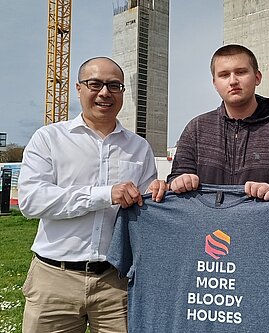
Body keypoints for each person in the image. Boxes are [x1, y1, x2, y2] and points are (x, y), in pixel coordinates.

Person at [18, 56, 166, 332]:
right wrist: (105, 194)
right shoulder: (49, 138)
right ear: (78, 88)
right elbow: (31, 201)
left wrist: (159, 193)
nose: (104, 93)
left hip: (115, 285)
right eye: (95, 84)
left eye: (114, 86)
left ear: (123, 92)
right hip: (54, 280)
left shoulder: (139, 147)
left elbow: (145, 211)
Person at [149, 44, 269, 198]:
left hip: (266, 222)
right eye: (224, 75)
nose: (233, 81)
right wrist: (180, 181)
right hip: (207, 225)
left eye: (240, 72)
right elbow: (177, 176)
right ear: (215, 83)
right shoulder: (197, 129)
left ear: (257, 77)